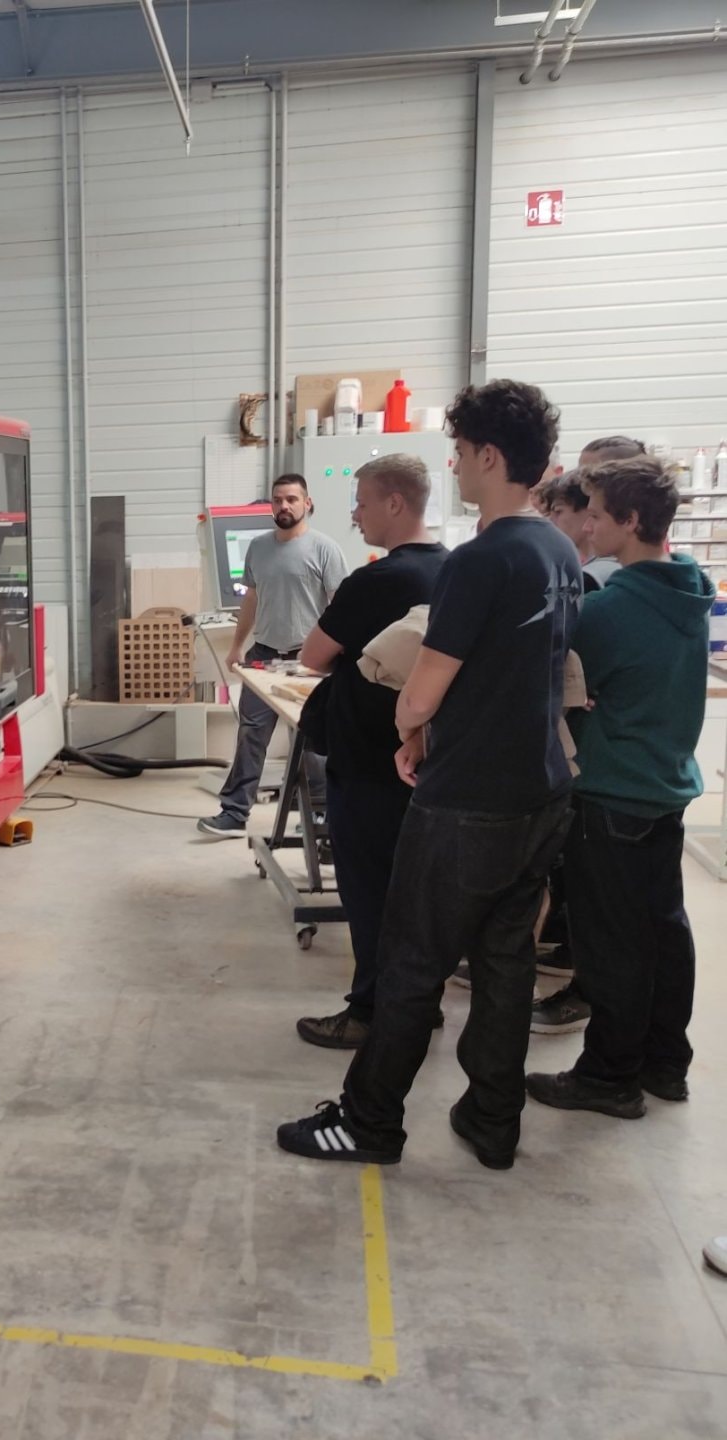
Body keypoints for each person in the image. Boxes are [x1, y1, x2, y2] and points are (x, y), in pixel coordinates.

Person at [276, 379, 581, 1170]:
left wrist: (410, 730)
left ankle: (368, 1121)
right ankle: (491, 1118)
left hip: (468, 800)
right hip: (540, 791)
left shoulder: (483, 559)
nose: (454, 466)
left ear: (489, 456)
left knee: (410, 961)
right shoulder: (555, 549)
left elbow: (420, 688)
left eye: (460, 452)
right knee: (504, 960)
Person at [526, 458, 711, 1119]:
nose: (587, 526)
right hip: (663, 787)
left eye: (598, 515)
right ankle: (664, 1063)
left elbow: (556, 683)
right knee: (663, 932)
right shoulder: (688, 589)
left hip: (611, 795)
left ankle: (608, 1076)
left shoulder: (613, 610)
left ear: (631, 521)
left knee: (611, 946)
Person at [293, 456, 449, 1048]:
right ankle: (417, 1005)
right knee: (418, 895)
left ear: (395, 503)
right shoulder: (455, 572)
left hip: (369, 761)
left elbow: (312, 656)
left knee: (369, 893)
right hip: (430, 757)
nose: (355, 514)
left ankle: (371, 1013)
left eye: (360, 501)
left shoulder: (377, 580)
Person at [528, 433, 647, 1025]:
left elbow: (578, 671)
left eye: (588, 500)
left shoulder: (604, 587)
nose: (582, 509)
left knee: (606, 898)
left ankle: (590, 994)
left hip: (606, 767)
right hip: (610, 767)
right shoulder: (601, 575)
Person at [198, 475, 347, 838]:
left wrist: (338, 656)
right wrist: (237, 646)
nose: (284, 506)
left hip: (309, 660)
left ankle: (321, 816)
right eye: (278, 499)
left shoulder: (325, 549)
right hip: (263, 656)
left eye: (292, 499)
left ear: (307, 503)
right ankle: (234, 813)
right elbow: (251, 599)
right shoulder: (258, 548)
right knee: (251, 734)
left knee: (313, 739)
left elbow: (340, 607)